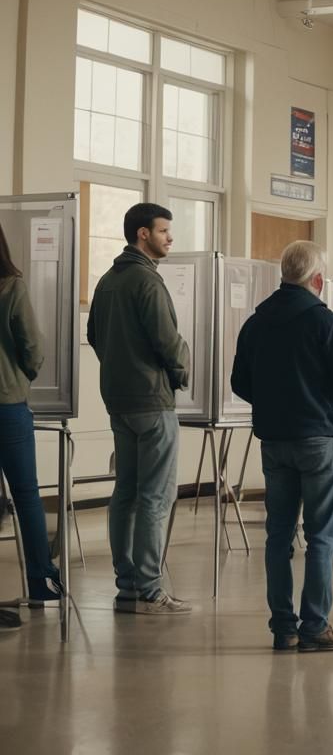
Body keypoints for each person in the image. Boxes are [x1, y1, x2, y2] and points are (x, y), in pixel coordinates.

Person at [231, 241, 333, 652]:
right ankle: (315, 626)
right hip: (318, 440)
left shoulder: (256, 323)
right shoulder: (327, 323)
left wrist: (273, 402)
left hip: (274, 441)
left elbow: (239, 382)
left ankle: (283, 627)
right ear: (318, 280)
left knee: (278, 535)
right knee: (321, 535)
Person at [87, 203, 191, 614]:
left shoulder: (107, 281)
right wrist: (181, 373)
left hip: (118, 399)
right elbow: (168, 341)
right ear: (142, 234)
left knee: (125, 492)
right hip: (152, 401)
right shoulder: (147, 282)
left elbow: (94, 335)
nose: (170, 238)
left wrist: (120, 367)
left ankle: (128, 585)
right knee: (156, 496)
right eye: (164, 231)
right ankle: (151, 588)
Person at [0, 222, 64, 629]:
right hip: (8, 405)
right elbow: (33, 347)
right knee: (26, 494)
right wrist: (21, 377)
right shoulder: (10, 287)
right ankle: (39, 581)